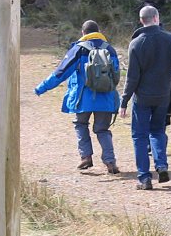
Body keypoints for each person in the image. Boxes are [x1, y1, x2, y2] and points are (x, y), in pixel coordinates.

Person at [34, 20, 121, 174]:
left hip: (83, 99)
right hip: (106, 98)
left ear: (83, 33)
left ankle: (86, 157)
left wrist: (42, 87)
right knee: (102, 129)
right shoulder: (110, 50)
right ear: (99, 32)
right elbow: (116, 75)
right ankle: (110, 162)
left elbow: (60, 73)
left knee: (81, 124)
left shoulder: (78, 49)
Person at [120, 5, 171, 190]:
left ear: (141, 20)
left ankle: (144, 177)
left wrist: (124, 101)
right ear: (157, 18)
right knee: (157, 131)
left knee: (139, 136)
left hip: (142, 97)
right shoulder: (170, 39)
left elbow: (132, 77)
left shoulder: (136, 43)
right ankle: (161, 165)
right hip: (163, 95)